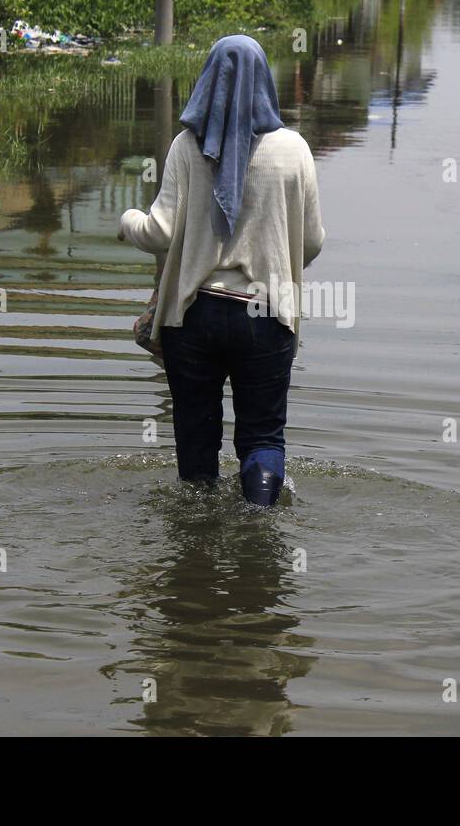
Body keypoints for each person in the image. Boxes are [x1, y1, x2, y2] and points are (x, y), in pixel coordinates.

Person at [118, 35, 325, 508]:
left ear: (208, 79)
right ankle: (259, 527)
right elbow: (312, 241)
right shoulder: (294, 150)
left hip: (193, 318)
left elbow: (160, 232)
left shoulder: (187, 147)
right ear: (266, 81)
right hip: (266, 316)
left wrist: (127, 221)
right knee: (263, 439)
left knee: (195, 440)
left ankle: (196, 540)